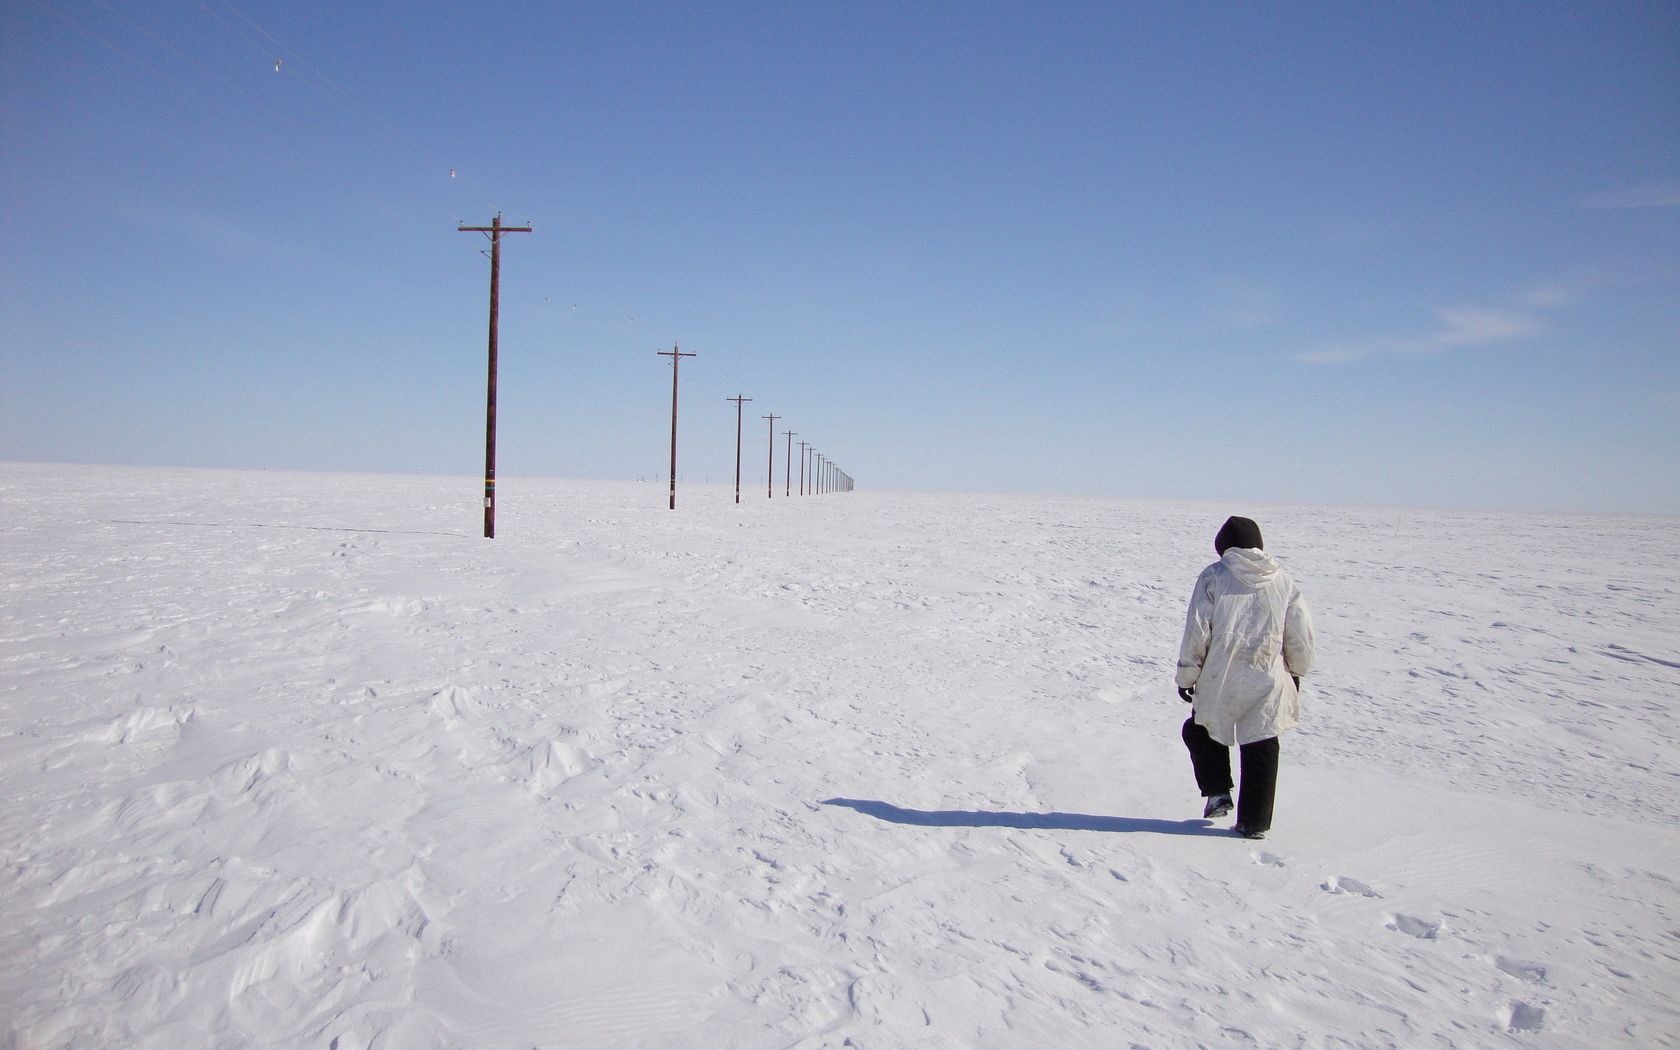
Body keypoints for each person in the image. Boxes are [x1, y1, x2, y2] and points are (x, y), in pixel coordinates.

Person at [1174, 516, 1315, 839]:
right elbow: (1300, 634)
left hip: (1220, 673)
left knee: (1201, 730)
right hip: (1268, 673)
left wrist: (1187, 676)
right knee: (1262, 743)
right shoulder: (1282, 580)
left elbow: (1197, 631)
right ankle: (1254, 821)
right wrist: (1297, 670)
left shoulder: (1215, 576)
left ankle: (1218, 791)